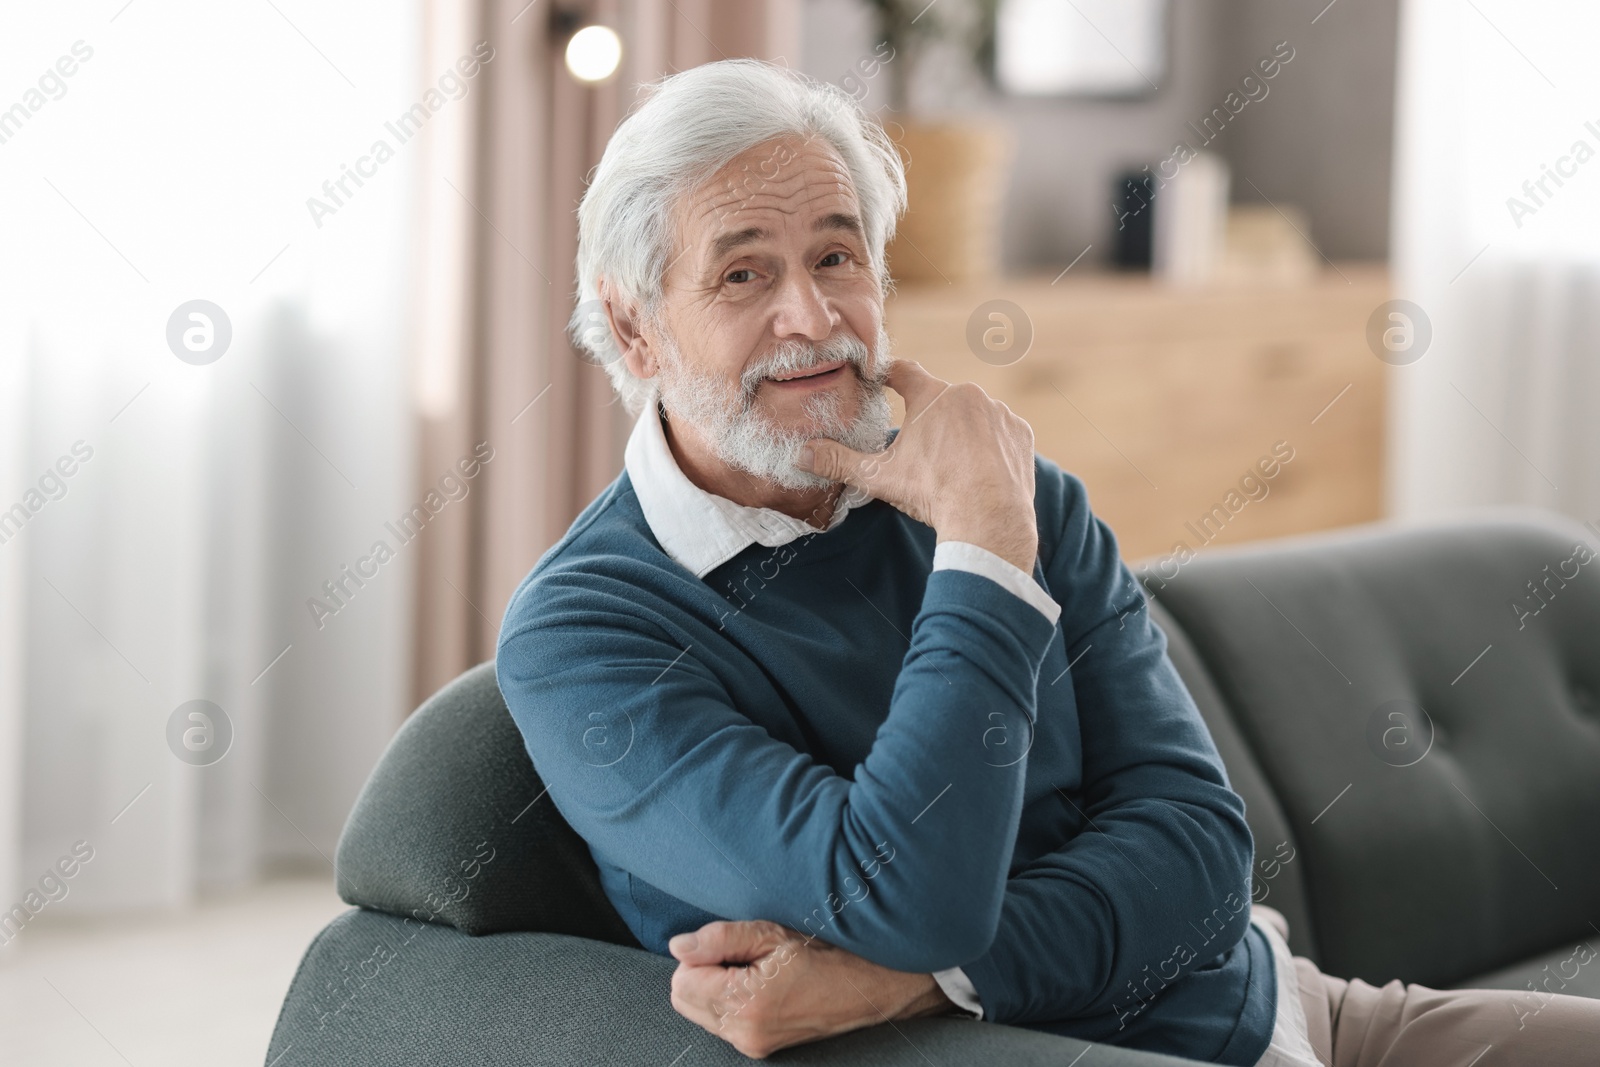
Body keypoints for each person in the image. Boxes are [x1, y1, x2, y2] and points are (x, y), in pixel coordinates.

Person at [495, 58, 1600, 1066]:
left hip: (1299, 1011)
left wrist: (905, 983)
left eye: (837, 255)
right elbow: (904, 891)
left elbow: (1205, 860)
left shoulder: (1015, 491)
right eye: (742, 276)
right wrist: (978, 553)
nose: (813, 315)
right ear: (635, 331)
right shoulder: (588, 635)